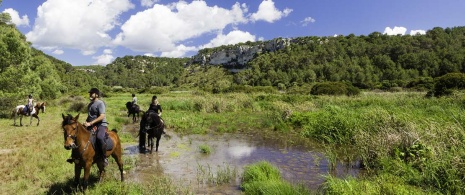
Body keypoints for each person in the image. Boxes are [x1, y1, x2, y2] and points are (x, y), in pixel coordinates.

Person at [83, 88, 109, 166]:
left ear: (97, 95)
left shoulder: (100, 103)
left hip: (101, 124)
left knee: (99, 137)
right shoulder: (90, 104)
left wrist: (90, 123)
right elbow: (90, 116)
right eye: (90, 93)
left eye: (92, 93)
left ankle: (104, 158)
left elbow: (102, 116)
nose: (90, 94)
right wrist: (86, 123)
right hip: (91, 124)